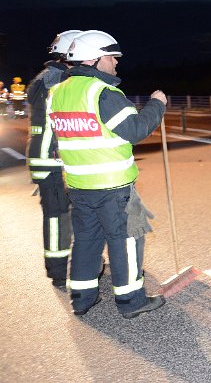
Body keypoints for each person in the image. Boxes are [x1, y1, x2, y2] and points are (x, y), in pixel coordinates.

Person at [47, 30, 167, 318]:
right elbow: (136, 129)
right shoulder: (102, 93)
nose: (116, 63)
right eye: (112, 57)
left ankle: (82, 297)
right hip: (113, 185)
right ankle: (131, 301)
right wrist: (157, 104)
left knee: (87, 240)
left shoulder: (58, 92)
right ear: (94, 59)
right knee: (127, 238)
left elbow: (60, 138)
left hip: (78, 184)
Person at [26, 30, 83, 287]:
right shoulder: (58, 79)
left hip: (45, 157)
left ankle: (66, 263)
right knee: (58, 216)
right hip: (53, 159)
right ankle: (61, 269)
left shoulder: (46, 76)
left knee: (58, 214)